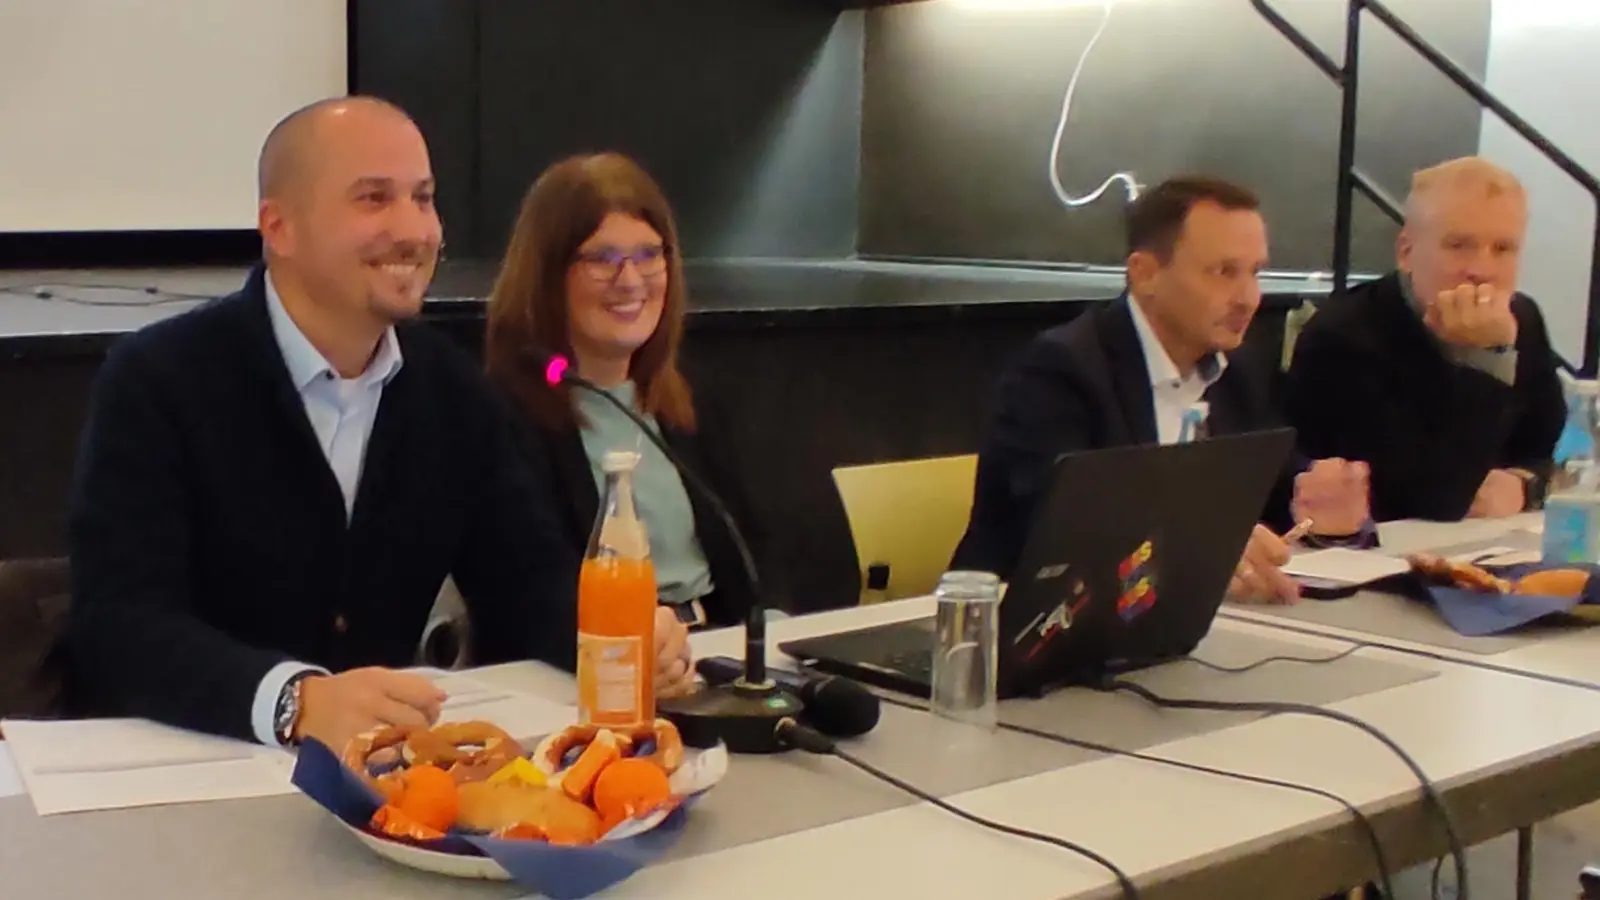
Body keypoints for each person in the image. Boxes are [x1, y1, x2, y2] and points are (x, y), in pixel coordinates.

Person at [66, 97, 695, 753]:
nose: (414, 230)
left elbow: (526, 582)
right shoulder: (159, 378)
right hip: (185, 770)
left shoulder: (450, 391)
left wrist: (619, 634)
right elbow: (120, 622)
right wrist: (294, 699)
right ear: (279, 227)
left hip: (385, 779)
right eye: (373, 199)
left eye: (423, 199)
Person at [952, 175, 1371, 605]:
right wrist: (1200, 548)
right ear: (1146, 274)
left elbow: (1281, 491)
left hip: (1184, 627)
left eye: (1256, 273)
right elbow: (1068, 529)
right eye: (1224, 272)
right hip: (1025, 631)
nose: (1249, 298)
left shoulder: (1239, 371)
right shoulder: (1058, 370)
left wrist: (1322, 506)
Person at [483, 152, 768, 630]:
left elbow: (756, 553)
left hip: (711, 646)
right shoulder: (501, 414)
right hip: (593, 659)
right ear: (547, 273)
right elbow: (528, 591)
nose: (631, 280)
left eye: (649, 254)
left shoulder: (690, 398)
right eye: (602, 258)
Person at [1285, 156, 1566, 522]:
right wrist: (1487, 358)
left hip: (1489, 547)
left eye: (1503, 249)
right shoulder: (1343, 336)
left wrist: (1525, 485)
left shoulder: (1521, 317)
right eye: (1459, 245)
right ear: (1406, 251)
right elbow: (1426, 500)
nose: (1482, 270)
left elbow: (1553, 453)